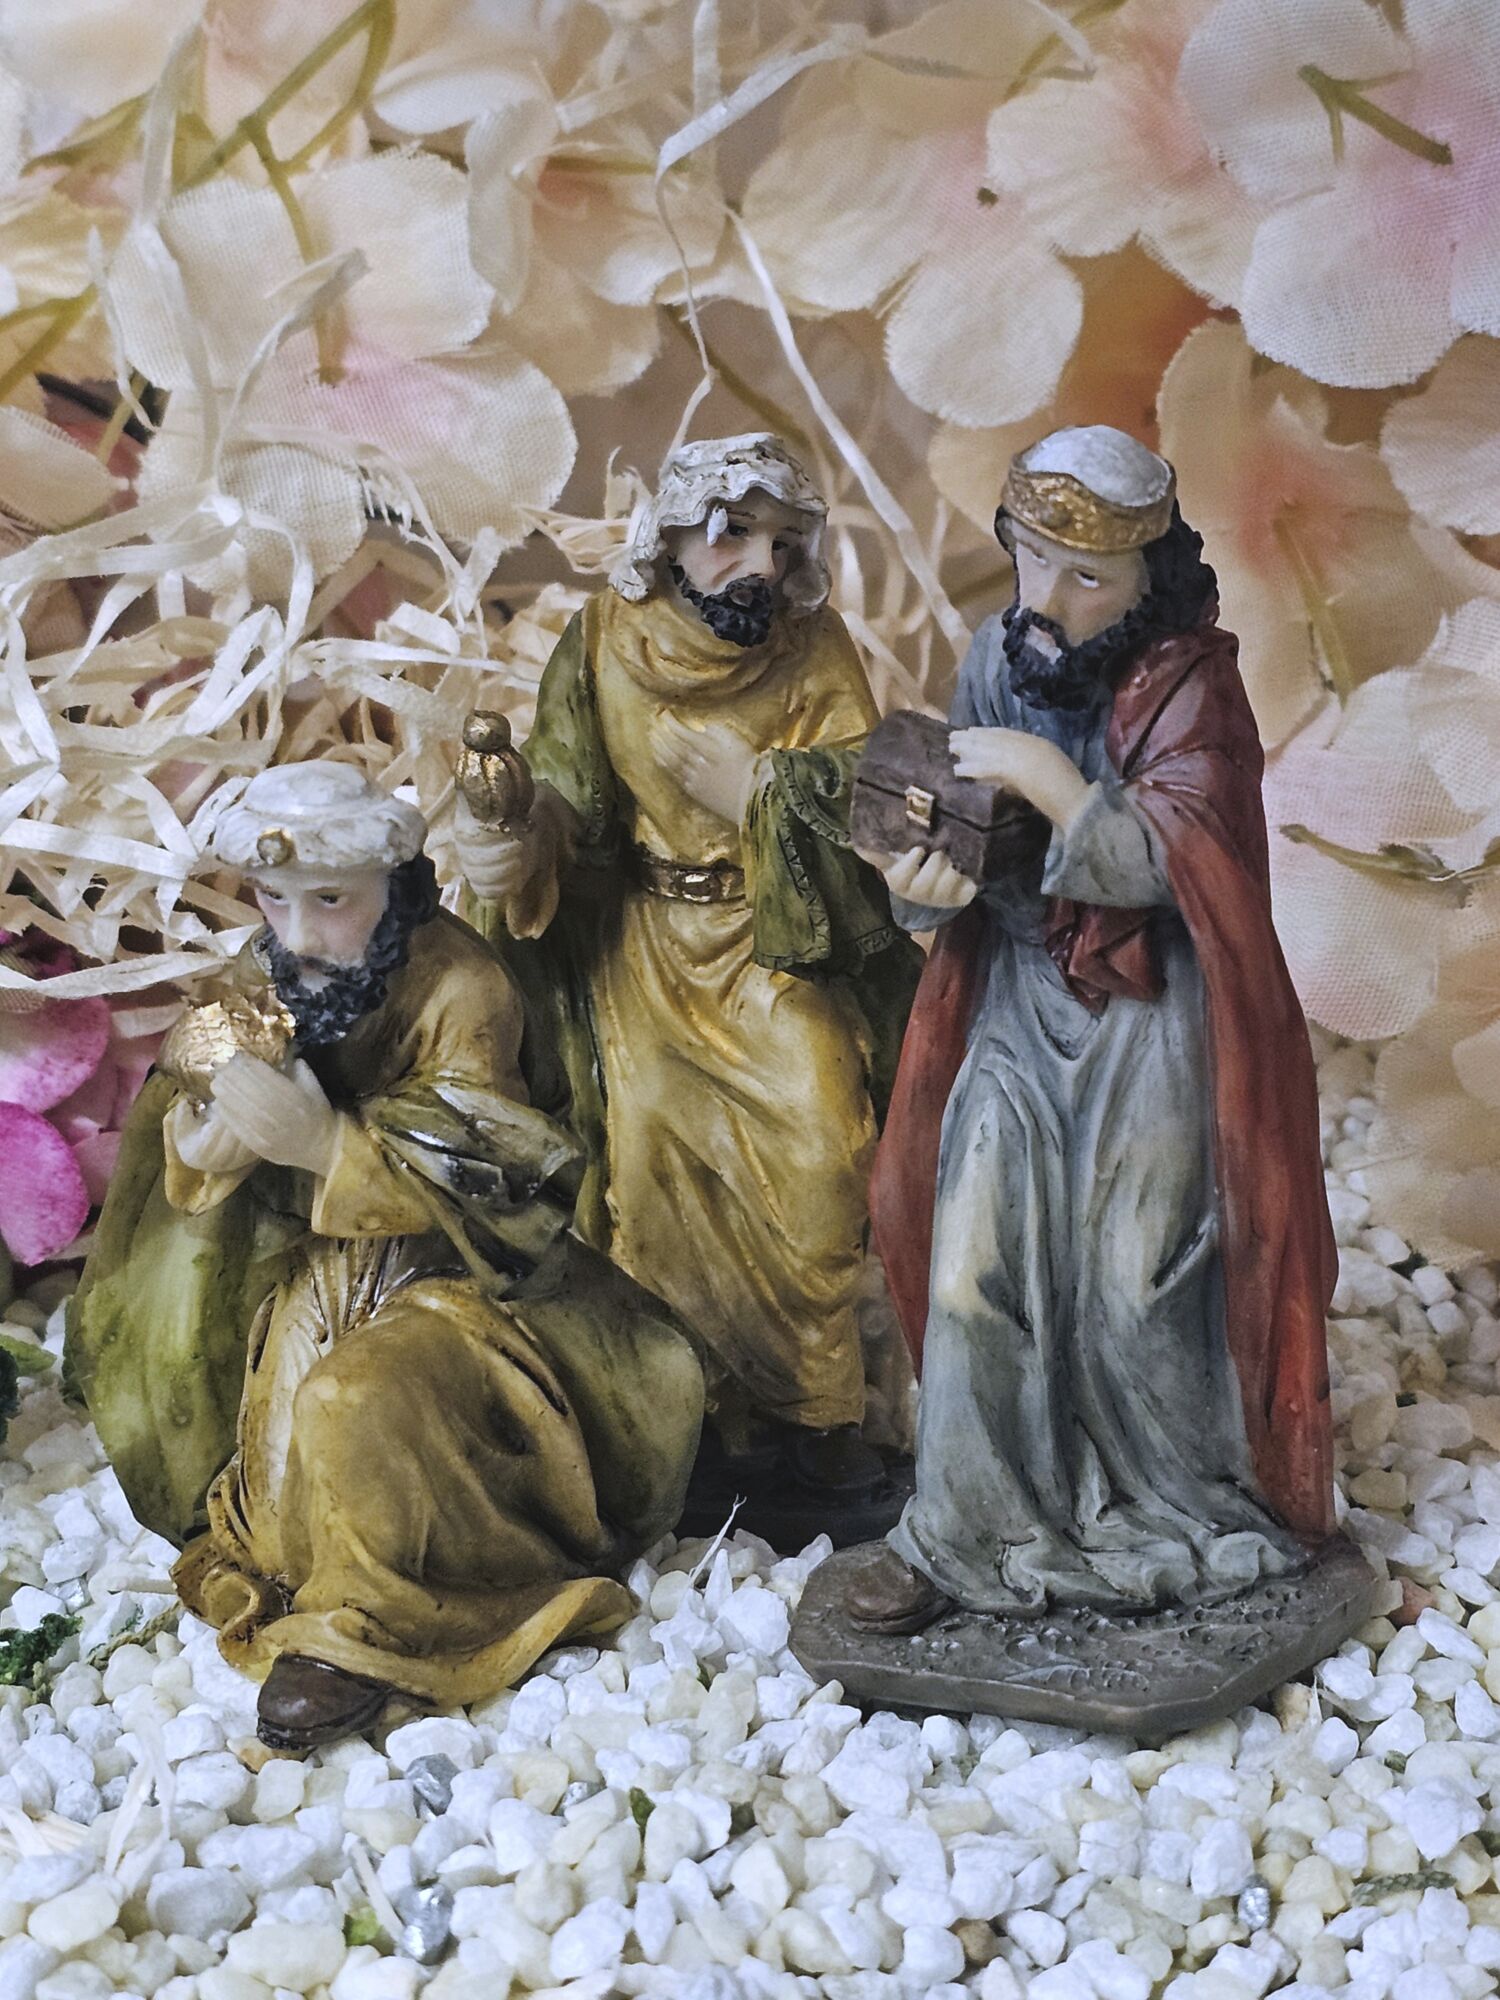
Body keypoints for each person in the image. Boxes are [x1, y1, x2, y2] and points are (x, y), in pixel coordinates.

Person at [69, 763, 703, 1749]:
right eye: (273, 899)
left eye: (331, 901)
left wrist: (324, 1146)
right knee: (279, 1493)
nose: (299, 933)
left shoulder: (462, 990)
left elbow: (492, 1179)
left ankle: (360, 1626)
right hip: (323, 1267)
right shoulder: (269, 972)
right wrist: (203, 1143)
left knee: (348, 1402)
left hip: (462, 1287)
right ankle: (327, 1581)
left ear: (394, 886)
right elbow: (197, 1075)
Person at [849, 425, 1337, 1633]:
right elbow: (951, 844)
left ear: (1145, 579)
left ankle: (1184, 1503)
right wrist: (924, 884)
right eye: (1032, 558)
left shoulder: (1191, 688)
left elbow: (1198, 855)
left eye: (1088, 576)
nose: (1048, 599)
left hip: (1150, 1015)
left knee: (1135, 1281)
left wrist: (1059, 786)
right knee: (972, 1264)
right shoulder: (994, 656)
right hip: (1019, 996)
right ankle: (963, 1527)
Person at [455, 433, 920, 1532]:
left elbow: (873, 797)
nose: (760, 564)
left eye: (783, 542)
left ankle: (818, 1415)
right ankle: (703, 1418)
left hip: (775, 943)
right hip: (647, 950)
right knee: (652, 1169)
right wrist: (514, 845)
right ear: (669, 538)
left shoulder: (813, 650)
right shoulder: (602, 639)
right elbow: (569, 796)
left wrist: (761, 786)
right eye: (733, 535)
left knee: (823, 1146)